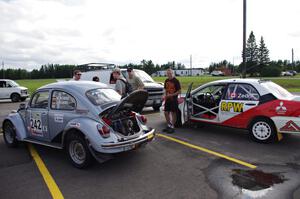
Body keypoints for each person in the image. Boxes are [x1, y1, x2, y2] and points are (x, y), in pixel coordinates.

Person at [163, 68, 181, 133]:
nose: (169, 75)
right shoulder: (166, 80)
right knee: (165, 112)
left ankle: (172, 126)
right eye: (168, 73)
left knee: (173, 113)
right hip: (167, 99)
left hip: (174, 99)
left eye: (170, 73)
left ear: (172, 73)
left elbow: (179, 91)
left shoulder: (176, 81)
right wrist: (164, 95)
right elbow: (165, 89)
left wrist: (171, 95)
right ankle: (169, 125)